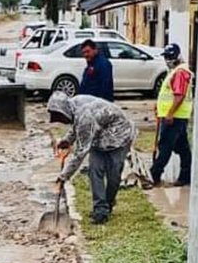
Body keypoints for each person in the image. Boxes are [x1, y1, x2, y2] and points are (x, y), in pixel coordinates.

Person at [47, 91, 134, 225]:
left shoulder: (85, 116)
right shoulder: (75, 105)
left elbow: (80, 152)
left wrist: (63, 176)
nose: (62, 121)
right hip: (99, 138)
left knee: (113, 175)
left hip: (120, 138)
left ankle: (108, 204)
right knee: (95, 171)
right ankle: (100, 210)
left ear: (65, 110)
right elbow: (77, 126)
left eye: (60, 117)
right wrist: (67, 141)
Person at [151, 42, 193, 186]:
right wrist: (159, 107)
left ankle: (154, 174)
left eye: (169, 57)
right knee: (182, 148)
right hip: (175, 116)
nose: (167, 61)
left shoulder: (180, 72)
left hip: (174, 117)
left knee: (165, 146)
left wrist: (169, 113)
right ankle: (186, 175)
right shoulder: (176, 71)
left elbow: (179, 95)